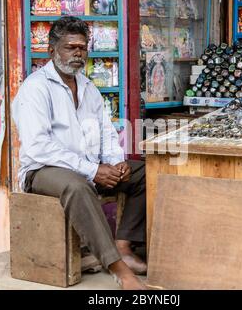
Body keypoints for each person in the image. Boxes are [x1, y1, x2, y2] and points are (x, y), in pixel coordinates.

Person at [12, 17, 147, 290]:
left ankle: (123, 247)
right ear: (52, 51)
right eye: (69, 47)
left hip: (88, 165)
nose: (77, 53)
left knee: (143, 172)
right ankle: (120, 270)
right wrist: (94, 170)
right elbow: (38, 146)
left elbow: (106, 132)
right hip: (42, 171)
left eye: (82, 48)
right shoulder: (35, 89)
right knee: (77, 186)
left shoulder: (88, 87)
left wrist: (115, 163)